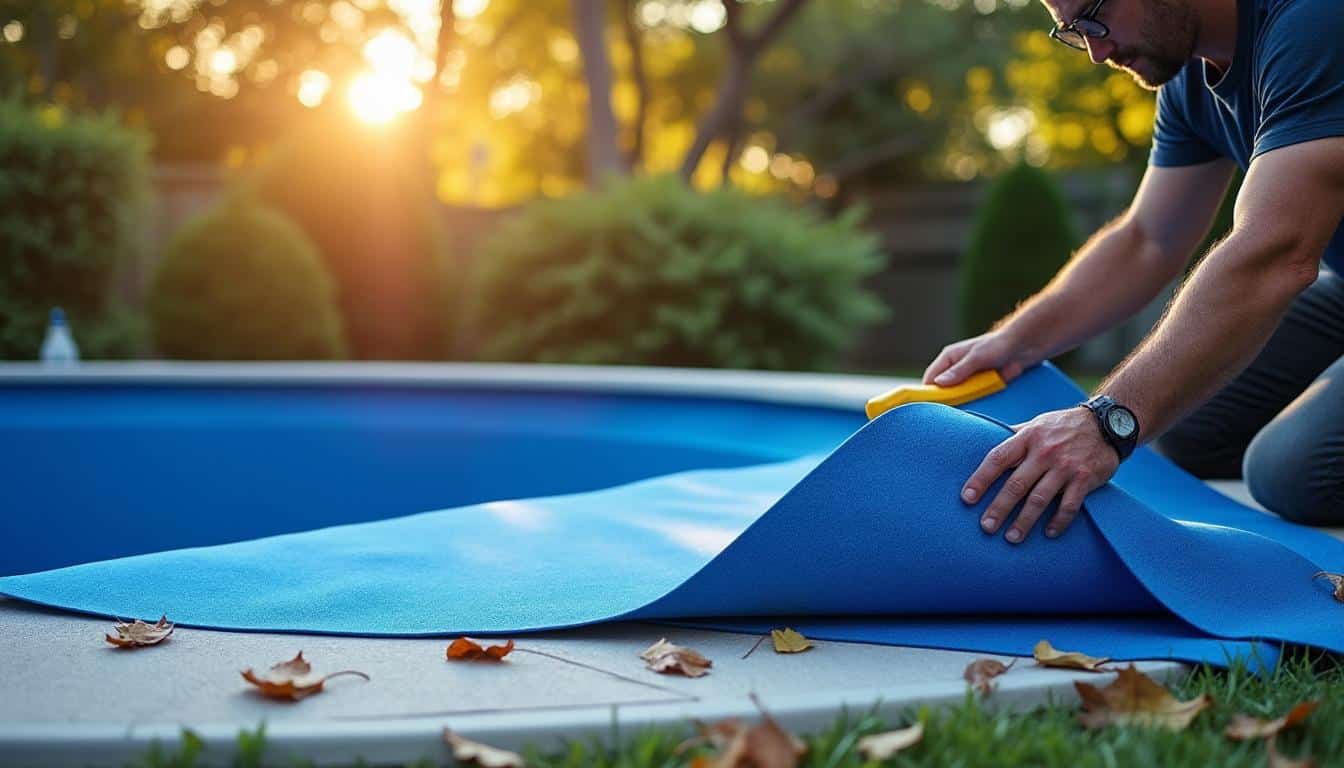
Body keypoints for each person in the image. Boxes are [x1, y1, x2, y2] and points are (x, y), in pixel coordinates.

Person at [924, 0, 1344, 542]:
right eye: (1073, 33)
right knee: (1192, 428)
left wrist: (1106, 423)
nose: (1097, 52)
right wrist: (1015, 341)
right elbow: (1148, 239)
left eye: (1093, 16)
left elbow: (1275, 251)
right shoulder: (1191, 81)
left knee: (1294, 470)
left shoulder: (1317, 21)